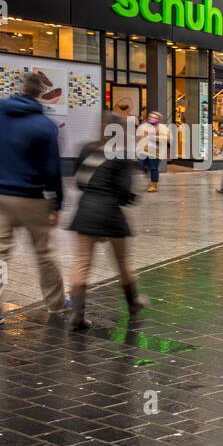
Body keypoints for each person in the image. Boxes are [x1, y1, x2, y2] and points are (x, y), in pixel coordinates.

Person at [0, 71, 68, 329]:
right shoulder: (44, 125)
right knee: (44, 251)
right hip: (29, 196)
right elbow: (52, 170)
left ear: (19, 88)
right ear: (41, 93)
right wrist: (56, 203)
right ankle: (57, 303)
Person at [67, 112, 149, 330]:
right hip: (110, 214)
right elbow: (124, 193)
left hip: (85, 210)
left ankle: (78, 314)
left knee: (82, 263)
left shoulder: (88, 149)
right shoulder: (122, 155)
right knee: (123, 264)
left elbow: (79, 182)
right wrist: (130, 197)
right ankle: (133, 304)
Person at [135, 110, 169, 192]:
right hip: (143, 151)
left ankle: (154, 186)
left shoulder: (163, 128)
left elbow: (168, 138)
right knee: (141, 165)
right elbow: (138, 136)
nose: (151, 118)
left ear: (158, 119)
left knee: (154, 168)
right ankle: (150, 176)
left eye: (154, 117)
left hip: (156, 152)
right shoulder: (144, 126)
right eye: (150, 116)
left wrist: (154, 137)